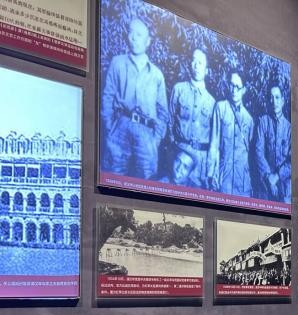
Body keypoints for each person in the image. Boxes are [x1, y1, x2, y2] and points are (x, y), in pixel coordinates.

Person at [101, 18, 169, 179]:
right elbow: (107, 97)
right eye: (131, 32)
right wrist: (110, 128)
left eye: (139, 34)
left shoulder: (156, 74)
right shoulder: (117, 63)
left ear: (148, 41)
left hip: (147, 131)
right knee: (113, 176)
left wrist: (156, 139)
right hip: (120, 126)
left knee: (147, 180)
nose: (133, 38)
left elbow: (163, 112)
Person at [169, 48, 215, 189]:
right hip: (179, 155)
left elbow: (214, 140)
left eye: (200, 63)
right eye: (194, 61)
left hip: (200, 163)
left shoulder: (212, 102)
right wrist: (172, 149)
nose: (196, 66)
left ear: (207, 70)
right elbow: (169, 121)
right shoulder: (179, 90)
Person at [208, 71, 254, 196]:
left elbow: (249, 154)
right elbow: (214, 144)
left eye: (238, 87)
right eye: (232, 85)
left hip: (242, 183)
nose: (234, 90)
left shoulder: (249, 119)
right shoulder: (220, 108)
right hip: (224, 178)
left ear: (244, 90)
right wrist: (211, 174)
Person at [254, 84, 292, 202]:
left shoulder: (289, 129)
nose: (274, 101)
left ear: (283, 101)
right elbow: (258, 152)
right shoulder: (263, 122)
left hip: (284, 187)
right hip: (265, 185)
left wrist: (276, 177)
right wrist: (268, 177)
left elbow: (292, 160)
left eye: (277, 97)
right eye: (271, 97)